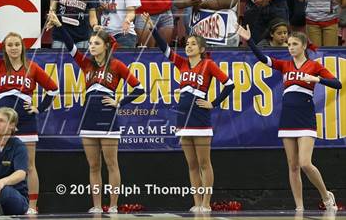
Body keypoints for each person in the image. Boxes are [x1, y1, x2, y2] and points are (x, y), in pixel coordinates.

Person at [46, 12, 144, 213]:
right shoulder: (86, 64)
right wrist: (59, 25)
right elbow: (72, 48)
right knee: (93, 166)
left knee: (112, 164)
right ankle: (97, 205)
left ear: (106, 46)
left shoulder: (116, 65)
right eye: (90, 43)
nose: (91, 46)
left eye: (96, 43)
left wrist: (119, 102)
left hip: (108, 120)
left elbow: (139, 88)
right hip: (88, 119)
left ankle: (114, 205)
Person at [237, 24, 341, 212]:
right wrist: (249, 40)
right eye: (289, 44)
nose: (290, 47)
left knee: (305, 163)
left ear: (303, 46)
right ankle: (299, 206)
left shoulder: (314, 66)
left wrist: (317, 79)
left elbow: (337, 84)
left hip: (306, 118)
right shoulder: (285, 65)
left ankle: (326, 196)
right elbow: (263, 59)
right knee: (293, 166)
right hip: (288, 119)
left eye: (294, 44)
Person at [143, 12, 234, 212]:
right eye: (188, 43)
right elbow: (165, 49)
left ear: (201, 49)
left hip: (200, 118)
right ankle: (196, 201)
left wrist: (213, 103)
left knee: (204, 162)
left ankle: (206, 202)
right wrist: (152, 27)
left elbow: (230, 84)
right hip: (183, 119)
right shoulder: (182, 63)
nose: (189, 46)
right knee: (192, 164)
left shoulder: (208, 64)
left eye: (193, 44)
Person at [0, 11, 59, 215]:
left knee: (28, 165)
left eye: (16, 44)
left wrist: (40, 107)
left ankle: (32, 206)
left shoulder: (33, 68)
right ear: (5, 48)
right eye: (9, 45)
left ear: (22, 47)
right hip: (2, 124)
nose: (13, 48)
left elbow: (53, 89)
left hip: (26, 122)